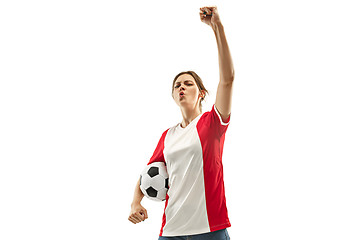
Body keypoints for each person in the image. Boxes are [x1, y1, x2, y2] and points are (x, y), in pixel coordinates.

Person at [128, 6, 234, 240]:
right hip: (171, 232)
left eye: (188, 83)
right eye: (177, 85)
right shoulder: (168, 136)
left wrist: (217, 27)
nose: (182, 87)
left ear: (202, 93)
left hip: (209, 231)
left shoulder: (212, 123)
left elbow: (227, 80)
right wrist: (136, 202)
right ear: (173, 96)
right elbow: (146, 174)